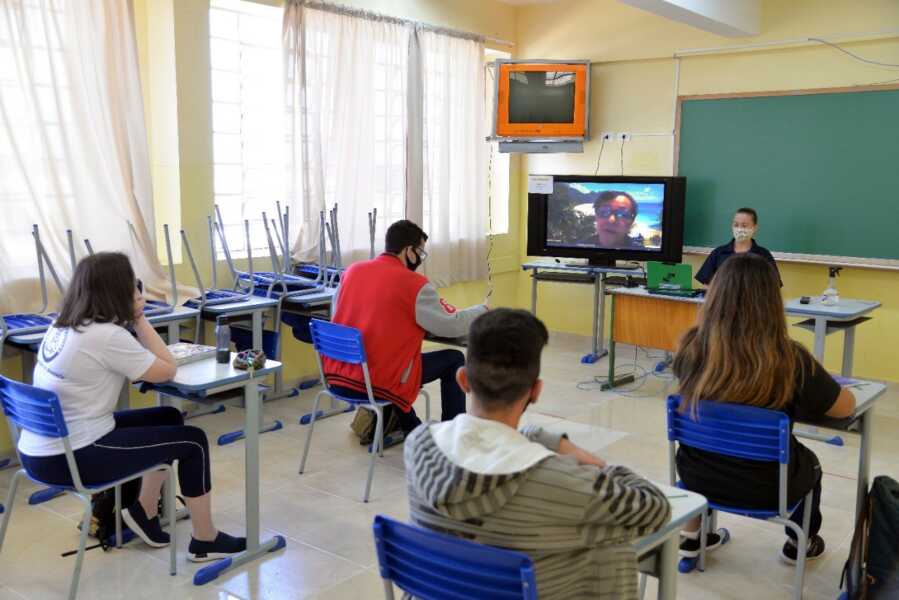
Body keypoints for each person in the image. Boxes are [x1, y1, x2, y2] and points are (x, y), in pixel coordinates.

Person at [405, 309, 670, 599]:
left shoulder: (418, 444)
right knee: (608, 549)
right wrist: (607, 469)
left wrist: (535, 438)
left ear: (463, 380)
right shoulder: (563, 483)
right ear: (536, 391)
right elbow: (655, 509)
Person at [18, 252, 245, 562]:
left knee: (170, 417)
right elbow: (167, 370)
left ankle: (143, 511)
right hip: (73, 456)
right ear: (117, 292)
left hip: (40, 449)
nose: (137, 292)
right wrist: (139, 317)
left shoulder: (61, 326)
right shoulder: (107, 336)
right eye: (132, 286)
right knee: (194, 442)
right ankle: (206, 539)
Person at [673, 253, 856, 564]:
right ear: (771, 303)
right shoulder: (790, 359)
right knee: (811, 464)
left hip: (697, 476)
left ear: (716, 295)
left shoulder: (691, 347)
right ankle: (800, 543)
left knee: (715, 443)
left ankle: (691, 536)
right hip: (769, 488)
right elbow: (844, 408)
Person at [325, 219, 487, 438]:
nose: (420, 258)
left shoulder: (352, 271)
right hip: (377, 381)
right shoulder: (414, 284)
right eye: (420, 252)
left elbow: (339, 315)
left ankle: (411, 425)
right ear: (409, 251)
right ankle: (453, 434)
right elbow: (451, 325)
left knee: (393, 358)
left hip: (338, 376)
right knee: (454, 359)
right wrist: (482, 309)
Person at [695, 207, 780, 285]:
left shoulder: (764, 255)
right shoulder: (719, 253)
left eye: (744, 225)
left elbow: (774, 285)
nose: (739, 229)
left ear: (755, 228)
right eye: (736, 225)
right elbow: (706, 281)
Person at [578, 190, 645, 249]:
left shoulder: (643, 254)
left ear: (631, 222)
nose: (611, 220)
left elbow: (653, 263)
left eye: (622, 213)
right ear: (596, 216)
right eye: (604, 212)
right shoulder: (579, 248)